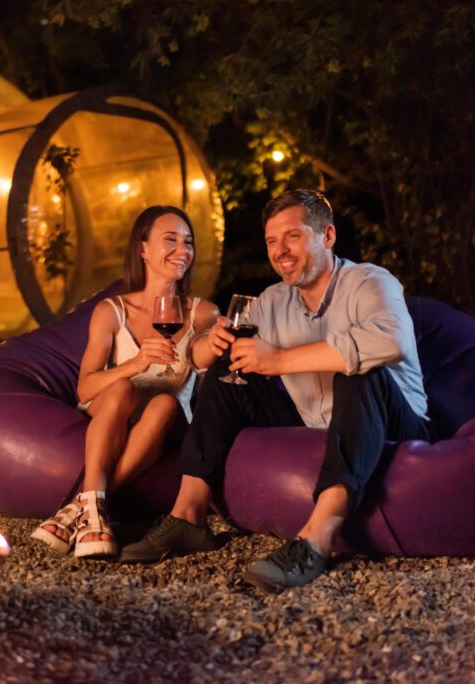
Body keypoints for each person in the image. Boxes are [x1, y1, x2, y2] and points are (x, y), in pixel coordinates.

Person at [120, 189, 430, 593]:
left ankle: (316, 540)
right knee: (227, 374)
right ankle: (188, 515)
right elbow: (201, 359)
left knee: (359, 373)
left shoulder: (370, 282)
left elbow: (391, 344)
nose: (280, 250)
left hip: (393, 422)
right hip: (310, 418)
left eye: (293, 236)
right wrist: (210, 344)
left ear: (328, 237)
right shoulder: (271, 300)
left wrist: (279, 360)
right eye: (271, 241)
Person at [31, 205, 219, 558]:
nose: (183, 250)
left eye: (188, 242)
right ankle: (90, 511)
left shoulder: (202, 312)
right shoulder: (111, 311)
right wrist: (134, 364)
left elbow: (203, 356)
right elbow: (85, 389)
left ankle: (83, 507)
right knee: (122, 387)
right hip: (114, 408)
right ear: (143, 249)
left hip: (166, 419)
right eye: (171, 240)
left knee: (166, 401)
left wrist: (221, 341)